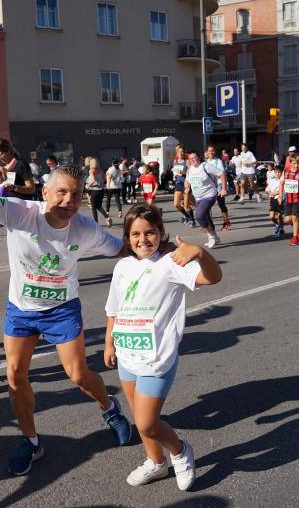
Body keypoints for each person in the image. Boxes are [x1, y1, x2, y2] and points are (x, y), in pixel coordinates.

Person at [0, 163, 133, 476]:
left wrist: (161, 250)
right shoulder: (20, 212)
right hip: (21, 309)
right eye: (61, 192)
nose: (68, 200)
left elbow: (121, 249)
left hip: (62, 309)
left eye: (76, 194)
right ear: (45, 192)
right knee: (14, 374)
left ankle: (110, 409)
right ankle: (31, 441)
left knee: (78, 375)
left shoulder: (85, 229)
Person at [104, 204, 221, 491]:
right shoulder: (123, 266)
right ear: (127, 237)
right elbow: (114, 309)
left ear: (161, 233)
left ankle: (180, 451)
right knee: (139, 417)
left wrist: (201, 253)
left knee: (146, 423)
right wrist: (109, 342)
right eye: (135, 234)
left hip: (157, 357)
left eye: (150, 233)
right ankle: (155, 463)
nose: (143, 239)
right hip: (127, 354)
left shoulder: (170, 263)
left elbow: (213, 277)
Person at [184, 150, 226, 248]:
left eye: (195, 158)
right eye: (191, 159)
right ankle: (215, 236)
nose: (193, 160)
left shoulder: (205, 166)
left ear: (199, 157)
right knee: (206, 216)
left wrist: (223, 189)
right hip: (198, 197)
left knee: (199, 216)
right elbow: (187, 180)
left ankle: (210, 236)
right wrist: (187, 187)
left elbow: (222, 174)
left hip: (209, 195)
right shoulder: (190, 169)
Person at [279, 153, 299, 246]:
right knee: (288, 220)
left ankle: (295, 237)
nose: (296, 165)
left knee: (295, 218)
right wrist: (280, 195)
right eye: (294, 163)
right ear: (290, 163)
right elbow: (281, 184)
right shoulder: (285, 172)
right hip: (288, 199)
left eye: (298, 163)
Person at [205, 146, 231, 230]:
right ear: (207, 152)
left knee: (221, 204)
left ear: (214, 152)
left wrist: (223, 188)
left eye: (212, 151)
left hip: (219, 184)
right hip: (209, 185)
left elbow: (222, 173)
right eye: (209, 151)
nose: (211, 152)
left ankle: (226, 221)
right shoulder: (205, 162)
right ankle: (209, 223)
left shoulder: (218, 161)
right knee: (207, 205)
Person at [171, 146, 194, 226]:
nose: (180, 153)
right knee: (176, 204)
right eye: (179, 152)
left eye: (182, 152)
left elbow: (190, 172)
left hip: (186, 184)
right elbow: (174, 171)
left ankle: (192, 221)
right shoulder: (175, 162)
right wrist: (174, 176)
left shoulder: (187, 161)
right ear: (177, 153)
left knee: (186, 205)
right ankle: (187, 216)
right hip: (178, 184)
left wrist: (182, 172)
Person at [87, 157, 111, 227]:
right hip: (101, 190)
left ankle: (96, 223)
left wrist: (88, 185)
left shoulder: (91, 171)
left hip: (95, 190)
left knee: (94, 207)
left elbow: (93, 180)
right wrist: (103, 183)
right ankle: (107, 217)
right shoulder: (100, 170)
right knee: (98, 206)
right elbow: (105, 178)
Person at [266, 164, 285, 237]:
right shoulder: (272, 180)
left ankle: (281, 229)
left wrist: (276, 192)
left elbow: (283, 190)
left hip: (280, 199)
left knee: (280, 215)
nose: (278, 174)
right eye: (276, 172)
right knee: (271, 216)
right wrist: (270, 193)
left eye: (279, 172)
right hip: (273, 199)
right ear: (274, 172)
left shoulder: (283, 180)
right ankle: (277, 224)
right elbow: (267, 190)